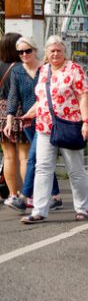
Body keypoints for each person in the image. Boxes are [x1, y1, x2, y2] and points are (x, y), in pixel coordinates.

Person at [20, 35, 88, 224]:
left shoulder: (74, 69)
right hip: (44, 126)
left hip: (68, 125)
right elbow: (42, 100)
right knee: (42, 168)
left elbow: (83, 96)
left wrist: (86, 121)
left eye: (59, 50)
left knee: (75, 170)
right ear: (46, 53)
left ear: (64, 51)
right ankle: (39, 210)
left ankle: (82, 208)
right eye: (52, 51)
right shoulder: (43, 71)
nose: (55, 54)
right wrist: (30, 113)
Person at [4, 36, 62, 212]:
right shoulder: (17, 72)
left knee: (36, 157)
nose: (24, 54)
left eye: (27, 50)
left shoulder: (46, 70)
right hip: (28, 122)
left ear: (35, 50)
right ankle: (55, 196)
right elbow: (13, 97)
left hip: (47, 120)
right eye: (20, 52)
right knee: (41, 158)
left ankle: (25, 197)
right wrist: (9, 120)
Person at [0, 32, 27, 207]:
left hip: (0, 115)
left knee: (8, 157)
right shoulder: (22, 68)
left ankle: (12, 195)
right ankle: (26, 195)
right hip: (19, 113)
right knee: (24, 157)